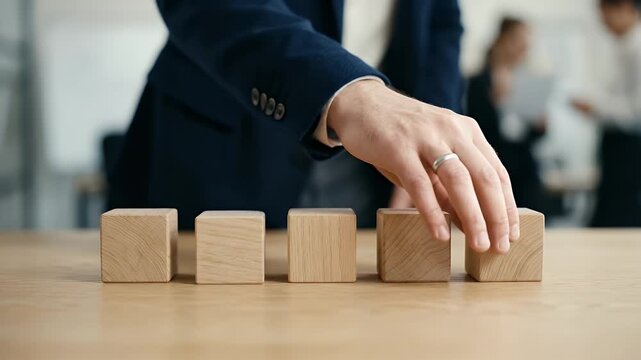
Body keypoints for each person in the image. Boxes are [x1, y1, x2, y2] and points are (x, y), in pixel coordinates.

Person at [110, 0, 521, 254]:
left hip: (377, 163)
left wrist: (429, 130)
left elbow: (440, 20)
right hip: (226, 140)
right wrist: (346, 91)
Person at [467, 17, 547, 211]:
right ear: (501, 40)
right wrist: (497, 103)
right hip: (495, 162)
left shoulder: (529, 81)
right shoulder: (479, 81)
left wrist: (540, 126)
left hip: (525, 168)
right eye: (517, 39)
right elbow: (476, 129)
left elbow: (534, 135)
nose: (522, 47)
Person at [572, 0, 641, 227]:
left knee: (619, 214)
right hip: (619, 145)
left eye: (605, 15)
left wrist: (596, 107)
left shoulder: (636, 47)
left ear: (625, 7)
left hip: (629, 146)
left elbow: (636, 110)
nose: (603, 22)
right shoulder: (624, 45)